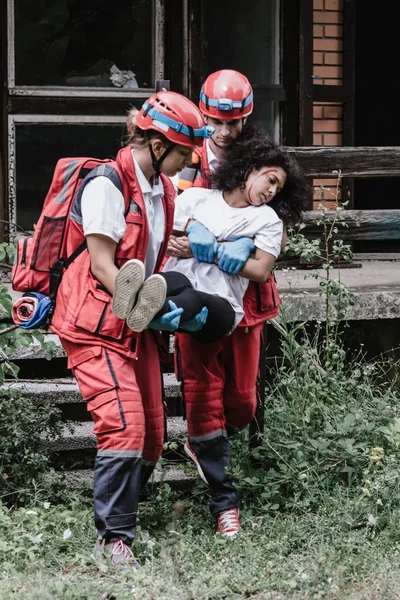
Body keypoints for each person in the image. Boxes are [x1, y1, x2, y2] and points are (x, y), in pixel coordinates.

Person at [50, 90, 213, 566]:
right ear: (159, 143)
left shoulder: (162, 187)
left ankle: (125, 505)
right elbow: (103, 264)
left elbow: (158, 245)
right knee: (123, 426)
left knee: (153, 433)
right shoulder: (107, 183)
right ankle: (114, 539)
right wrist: (144, 303)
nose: (188, 162)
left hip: (134, 319)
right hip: (93, 317)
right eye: (184, 152)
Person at [112, 129, 300, 351]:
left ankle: (150, 310)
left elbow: (260, 270)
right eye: (271, 180)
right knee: (170, 281)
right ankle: (133, 298)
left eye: (278, 189)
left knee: (193, 298)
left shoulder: (268, 220)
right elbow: (163, 238)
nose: (272, 191)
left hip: (221, 303)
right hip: (179, 281)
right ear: (250, 167)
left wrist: (208, 251)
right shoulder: (195, 198)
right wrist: (192, 227)